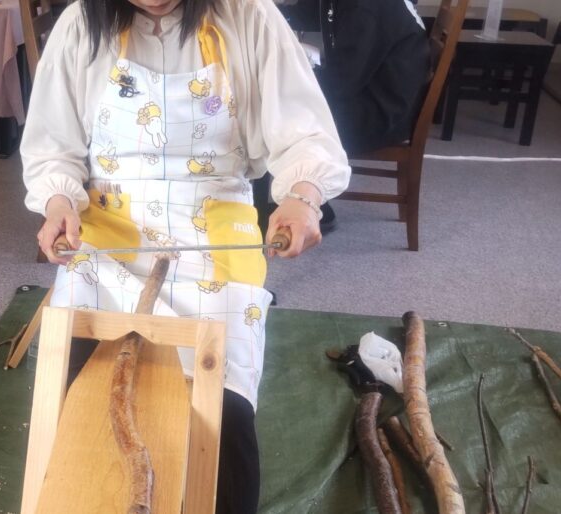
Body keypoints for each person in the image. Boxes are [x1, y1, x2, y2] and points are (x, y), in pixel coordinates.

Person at [21, 1, 350, 511]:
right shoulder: (81, 25)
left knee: (224, 414)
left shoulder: (248, 16)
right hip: (111, 225)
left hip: (213, 225)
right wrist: (59, 201)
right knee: (71, 383)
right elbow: (52, 147)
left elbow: (306, 133)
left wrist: (302, 195)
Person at [318, 0, 431, 223]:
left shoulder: (366, 7)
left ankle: (312, 206)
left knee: (286, 115)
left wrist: (295, 79)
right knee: (288, 102)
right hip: (380, 101)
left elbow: (341, 82)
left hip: (381, 116)